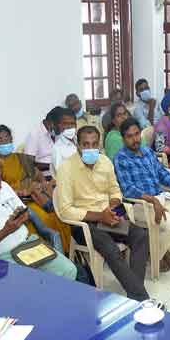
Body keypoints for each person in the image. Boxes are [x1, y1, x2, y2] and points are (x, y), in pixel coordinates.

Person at [55, 125, 150, 300]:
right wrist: (100, 216)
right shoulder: (66, 169)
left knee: (141, 236)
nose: (90, 149)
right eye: (85, 144)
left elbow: (115, 190)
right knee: (111, 249)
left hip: (109, 214)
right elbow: (65, 210)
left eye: (94, 144)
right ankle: (142, 299)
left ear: (99, 145)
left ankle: (134, 293)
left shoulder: (105, 161)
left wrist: (113, 207)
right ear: (78, 145)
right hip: (85, 223)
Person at [0, 155, 77, 279]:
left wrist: (22, 216)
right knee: (29, 284)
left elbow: (24, 212)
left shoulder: (4, 187)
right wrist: (6, 230)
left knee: (69, 270)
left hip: (27, 245)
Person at [114, 118, 170, 272]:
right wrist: (152, 200)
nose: (135, 139)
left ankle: (166, 252)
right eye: (130, 136)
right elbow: (127, 189)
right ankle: (156, 258)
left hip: (161, 198)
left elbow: (162, 174)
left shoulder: (147, 151)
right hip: (140, 204)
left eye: (136, 134)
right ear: (123, 139)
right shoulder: (120, 158)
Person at [0, 124, 71, 254]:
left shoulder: (21, 158)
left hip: (34, 198)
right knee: (43, 219)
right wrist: (21, 192)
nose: (5, 142)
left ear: (12, 139)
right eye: (0, 140)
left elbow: (37, 174)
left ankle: (65, 254)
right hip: (15, 203)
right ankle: (48, 255)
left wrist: (43, 184)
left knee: (58, 215)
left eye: (7, 138)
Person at [24, 106, 60, 179]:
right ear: (50, 122)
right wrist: (51, 165)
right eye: (57, 127)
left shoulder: (58, 133)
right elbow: (28, 163)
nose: (59, 130)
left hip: (61, 172)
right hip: (44, 175)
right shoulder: (35, 134)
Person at [50, 107, 79, 176]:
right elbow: (61, 174)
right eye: (66, 124)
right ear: (60, 125)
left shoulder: (81, 141)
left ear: (76, 125)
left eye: (72, 123)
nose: (69, 126)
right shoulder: (57, 148)